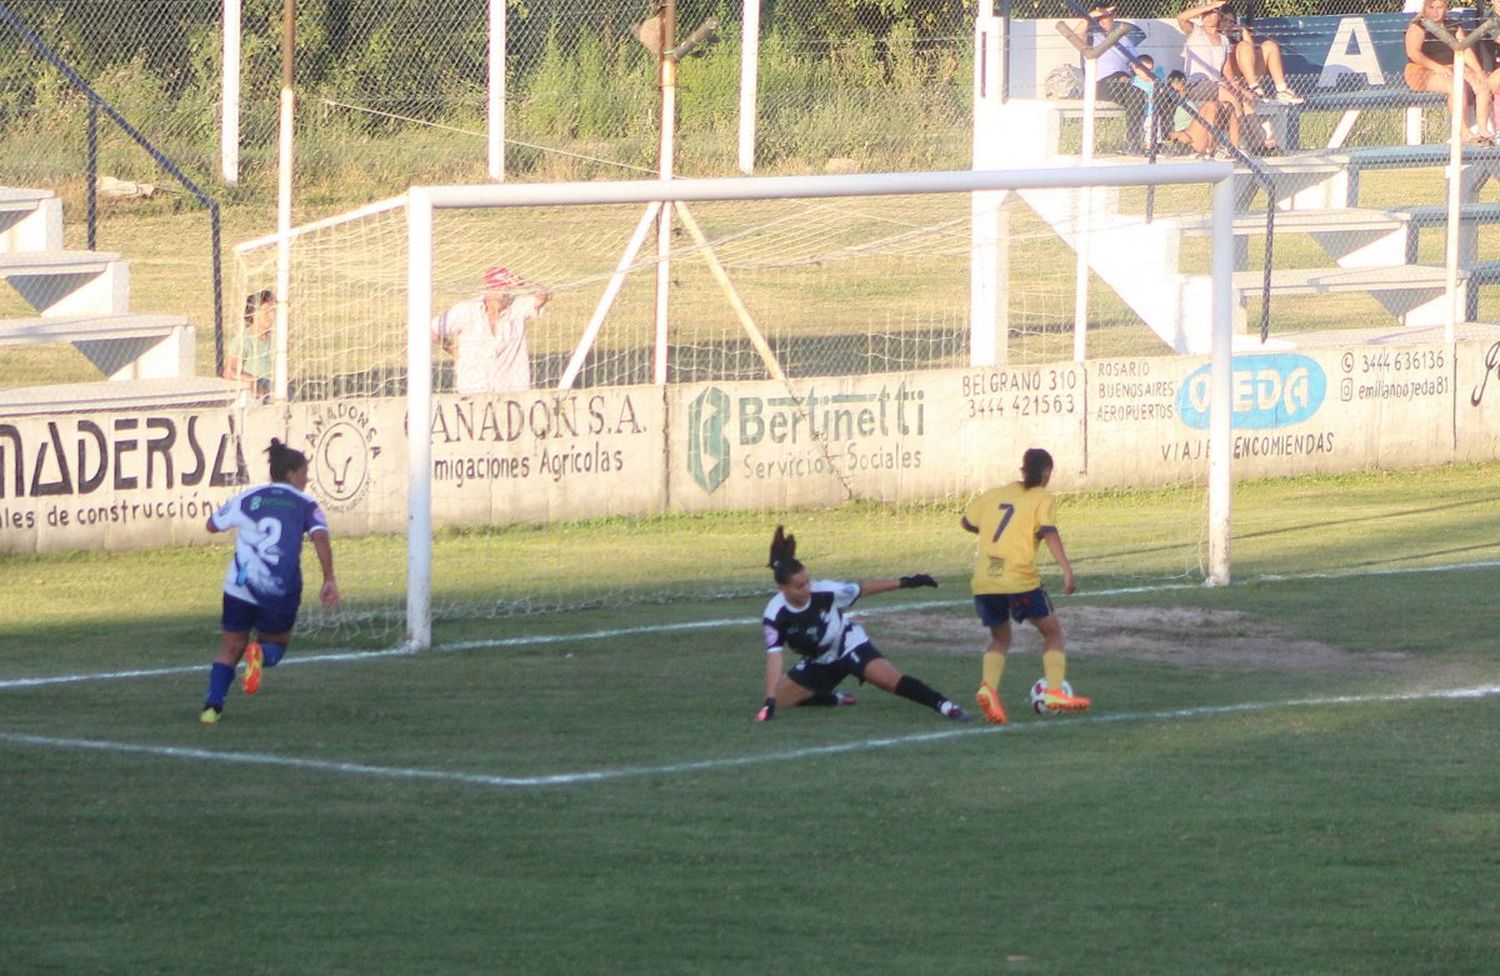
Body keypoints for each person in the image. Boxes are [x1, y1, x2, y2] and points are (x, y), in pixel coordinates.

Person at [756, 526, 971, 723]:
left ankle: (945, 706)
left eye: (807, 582)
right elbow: (775, 655)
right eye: (799, 586)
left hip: (848, 644)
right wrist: (769, 699)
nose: (807, 589)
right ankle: (832, 699)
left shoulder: (825, 592)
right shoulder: (775, 614)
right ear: (783, 588)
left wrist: (908, 582)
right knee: (781, 699)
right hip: (820, 660)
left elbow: (864, 589)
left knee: (889, 681)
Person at [199, 438, 340, 724]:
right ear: (290, 474)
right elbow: (320, 537)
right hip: (280, 588)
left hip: (239, 585)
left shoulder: (248, 497)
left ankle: (212, 708)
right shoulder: (306, 504)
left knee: (230, 645)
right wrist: (329, 578)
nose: (307, 478)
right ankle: (260, 653)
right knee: (277, 645)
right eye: (304, 472)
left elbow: (212, 525)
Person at [961, 448, 1089, 726]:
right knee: (1052, 632)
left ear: (1022, 470)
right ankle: (1054, 691)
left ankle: (988, 689)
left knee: (1000, 638)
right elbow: (1049, 532)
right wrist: (1067, 570)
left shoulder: (996, 494)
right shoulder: (1042, 497)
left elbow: (967, 522)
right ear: (1045, 472)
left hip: (985, 580)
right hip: (1018, 579)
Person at [431, 265, 553, 395]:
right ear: (486, 289)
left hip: (513, 389)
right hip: (473, 387)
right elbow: (431, 331)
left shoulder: (517, 307)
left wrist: (522, 282)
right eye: (498, 288)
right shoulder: (466, 311)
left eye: (506, 288)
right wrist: (453, 349)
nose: (502, 293)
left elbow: (544, 296)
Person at [1071, 1, 1158, 154]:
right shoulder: (1091, 38)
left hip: (1125, 81)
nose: (1103, 20)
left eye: (1107, 16)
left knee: (1150, 93)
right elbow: (1076, 33)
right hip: (1102, 84)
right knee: (1131, 90)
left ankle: (1159, 140)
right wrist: (1091, 15)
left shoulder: (1123, 39)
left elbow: (1136, 64)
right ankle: (1132, 141)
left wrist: (1151, 79)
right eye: (1100, 17)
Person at [1405, 0, 1495, 145]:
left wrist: (1478, 71)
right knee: (1456, 86)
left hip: (1453, 67)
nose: (1435, 12)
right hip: (1423, 71)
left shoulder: (1453, 25)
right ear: (1425, 7)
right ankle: (1464, 133)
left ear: (1445, 7)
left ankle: (1483, 131)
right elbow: (1413, 54)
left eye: (1439, 7)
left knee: (1483, 84)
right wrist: (1438, 68)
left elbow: (1464, 49)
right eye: (1431, 7)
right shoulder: (1417, 26)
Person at [1219, 7, 1304, 105]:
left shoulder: (1236, 41)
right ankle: (1253, 87)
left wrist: (1243, 31)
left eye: (1231, 22)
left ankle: (1281, 90)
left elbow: (1251, 49)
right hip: (1231, 81)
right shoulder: (1216, 39)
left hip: (1248, 76)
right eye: (1224, 20)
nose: (1228, 25)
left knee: (1269, 45)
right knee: (1243, 46)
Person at [1163, 69, 1239, 157]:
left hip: (1204, 131)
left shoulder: (1193, 99)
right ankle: (1212, 149)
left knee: (1229, 106)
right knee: (1211, 105)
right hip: (1186, 139)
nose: (1181, 84)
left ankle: (1235, 150)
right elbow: (1165, 131)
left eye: (1183, 81)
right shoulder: (1168, 103)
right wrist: (1177, 135)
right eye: (1176, 81)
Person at [222, 289, 275, 398]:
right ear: (253, 314)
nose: (271, 316)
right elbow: (230, 371)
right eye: (267, 312)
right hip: (256, 396)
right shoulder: (244, 341)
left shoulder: (276, 339)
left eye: (273, 311)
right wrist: (252, 380)